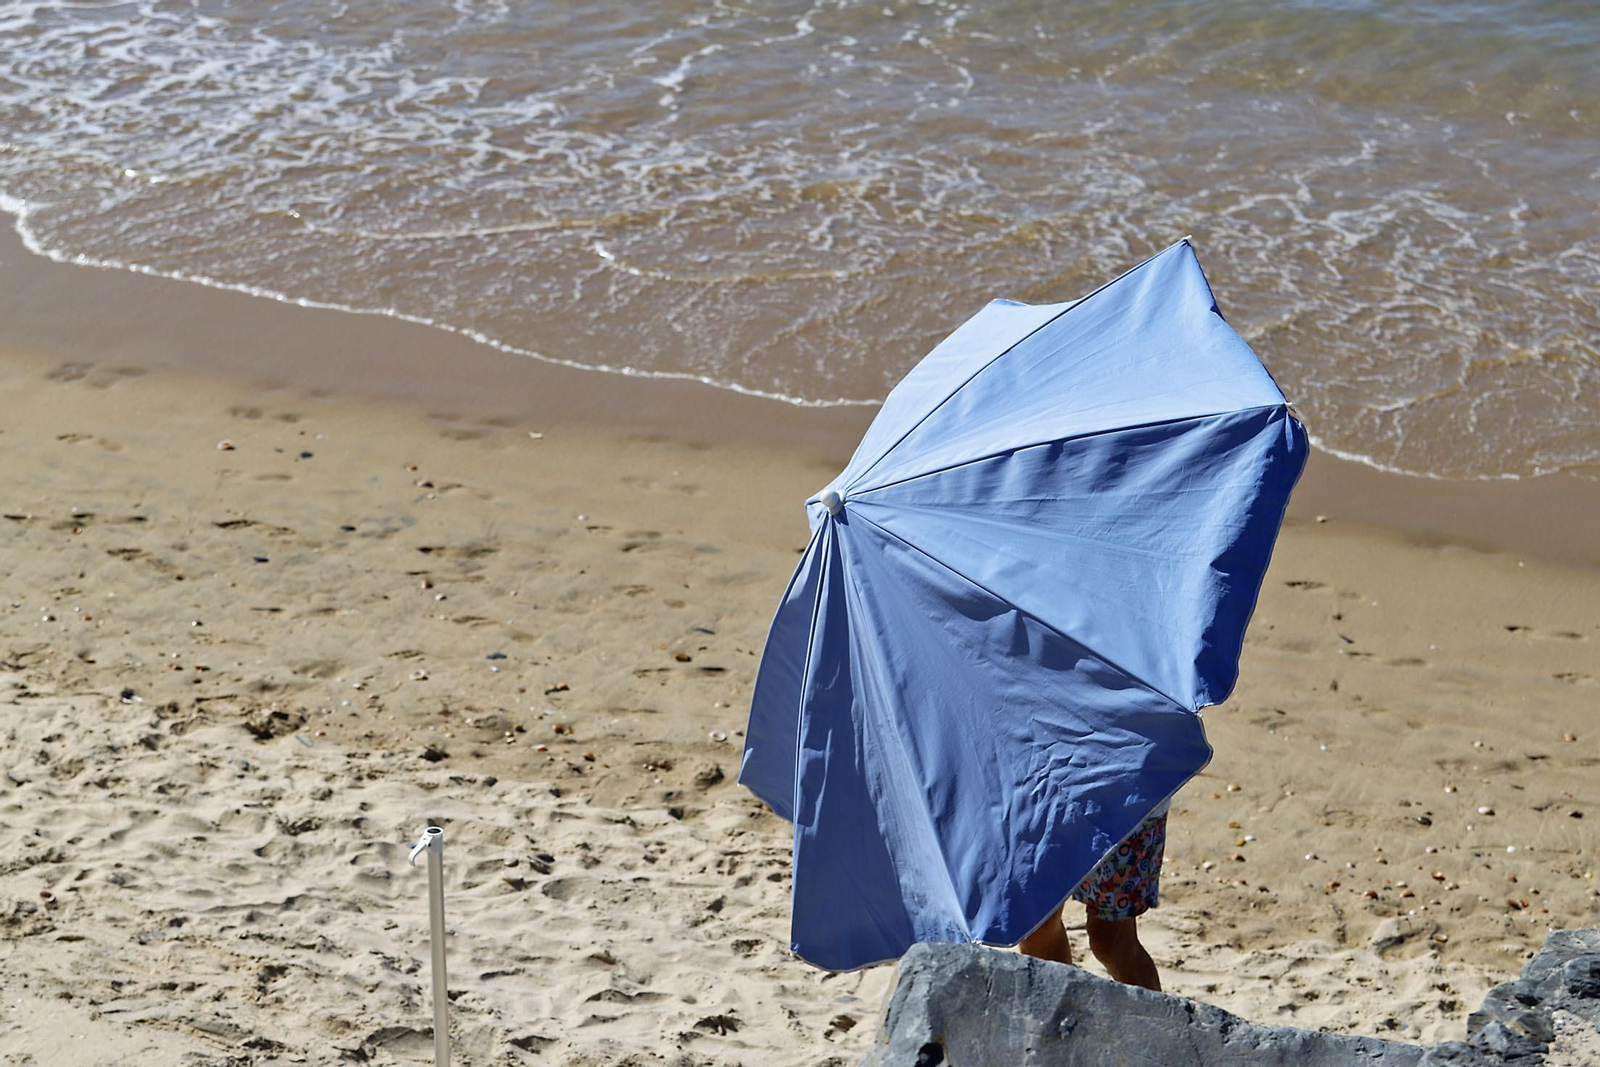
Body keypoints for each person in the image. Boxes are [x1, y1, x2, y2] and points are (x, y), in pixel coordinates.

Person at [1017, 804, 1167, 991]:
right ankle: (1059, 1008)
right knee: (1036, 927)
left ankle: (1151, 1010)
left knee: (1110, 942)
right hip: (1042, 797)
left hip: (1123, 801)